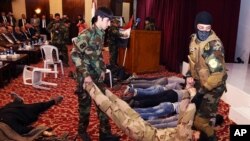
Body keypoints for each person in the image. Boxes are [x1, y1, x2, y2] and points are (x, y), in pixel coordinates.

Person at [84, 82, 197, 141]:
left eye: (197, 135)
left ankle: (90, 87)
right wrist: (188, 93)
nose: (197, 133)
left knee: (112, 109)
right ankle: (103, 89)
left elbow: (187, 113)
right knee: (123, 106)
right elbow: (183, 110)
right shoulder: (186, 133)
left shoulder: (185, 137)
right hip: (145, 128)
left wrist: (192, 97)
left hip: (140, 132)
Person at [70, 7, 120, 141]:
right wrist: (85, 75)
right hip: (85, 77)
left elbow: (98, 55)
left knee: (103, 104)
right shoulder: (87, 34)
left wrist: (102, 70)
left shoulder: (101, 32)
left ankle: (105, 133)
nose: (109, 24)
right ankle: (82, 131)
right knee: (85, 107)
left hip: (97, 76)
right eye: (107, 21)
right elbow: (74, 54)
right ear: (99, 18)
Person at [186, 11, 227, 141]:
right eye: (201, 28)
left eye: (207, 29)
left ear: (211, 28)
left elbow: (217, 75)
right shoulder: (194, 39)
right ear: (195, 26)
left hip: (213, 87)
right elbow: (193, 61)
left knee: (199, 122)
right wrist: (188, 75)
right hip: (201, 82)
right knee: (194, 114)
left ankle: (211, 137)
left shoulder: (214, 46)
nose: (204, 32)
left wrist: (201, 93)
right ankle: (212, 117)